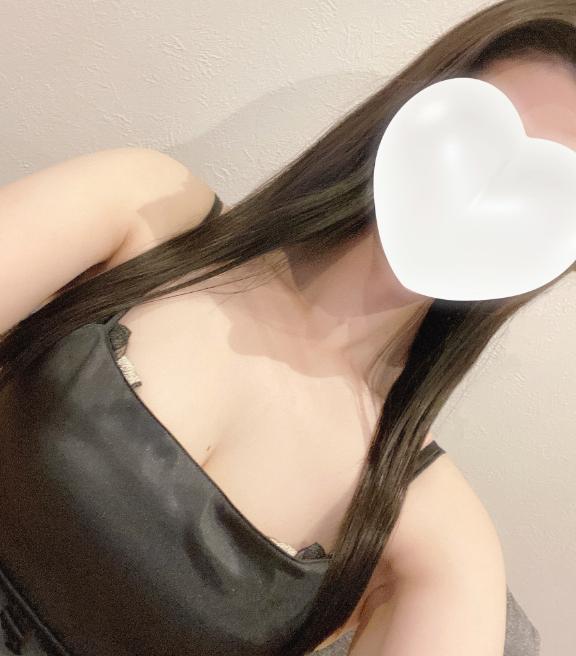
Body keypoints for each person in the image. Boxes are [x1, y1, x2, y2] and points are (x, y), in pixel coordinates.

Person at [1, 0, 572, 653]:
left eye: (547, 193)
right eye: (479, 138)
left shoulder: (439, 536)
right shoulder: (145, 209)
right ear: (417, 106)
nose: (483, 194)